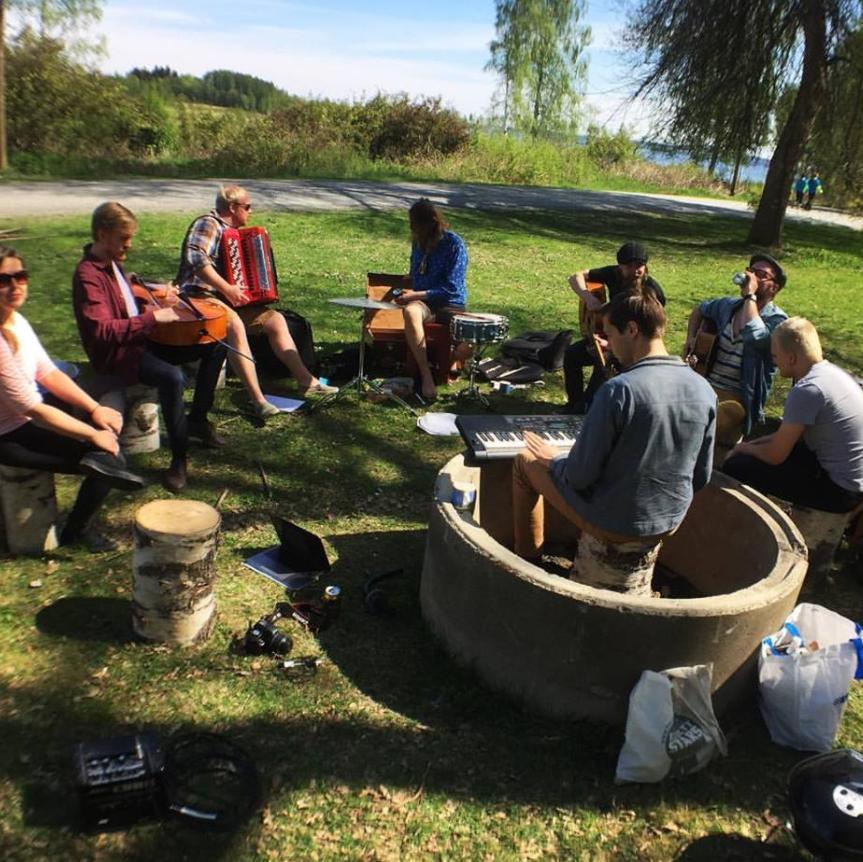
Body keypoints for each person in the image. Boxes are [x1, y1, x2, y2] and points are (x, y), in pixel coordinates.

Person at [513, 289, 716, 588]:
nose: (606, 346)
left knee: (525, 462)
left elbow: (580, 477)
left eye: (609, 334)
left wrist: (554, 459)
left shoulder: (620, 390)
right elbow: (701, 476)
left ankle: (526, 565)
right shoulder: (704, 389)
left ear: (632, 330)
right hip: (670, 519)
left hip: (617, 522)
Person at [73, 202, 227, 493]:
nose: (128, 245)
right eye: (123, 238)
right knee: (172, 377)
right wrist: (153, 317)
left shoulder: (111, 263)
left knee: (215, 343)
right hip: (119, 356)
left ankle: (198, 418)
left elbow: (126, 301)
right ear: (103, 235)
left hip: (140, 342)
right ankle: (179, 460)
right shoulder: (87, 276)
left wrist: (151, 296)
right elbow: (102, 330)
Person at [0, 246, 144, 551]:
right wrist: (93, 432)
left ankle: (78, 521)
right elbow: (33, 408)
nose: (15, 286)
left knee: (105, 444)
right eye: (4, 280)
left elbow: (48, 373)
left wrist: (95, 409)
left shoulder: (15, 320)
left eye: (20, 276)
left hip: (27, 417)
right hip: (8, 434)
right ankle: (76, 531)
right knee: (105, 459)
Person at [175, 185, 336, 404]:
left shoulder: (237, 236)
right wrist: (227, 288)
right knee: (235, 326)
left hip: (225, 301)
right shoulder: (208, 223)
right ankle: (258, 400)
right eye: (247, 207)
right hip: (198, 299)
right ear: (232, 207)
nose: (250, 211)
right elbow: (196, 260)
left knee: (275, 320)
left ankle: (307, 382)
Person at [722, 318, 863, 513]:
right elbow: (789, 438)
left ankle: (747, 520)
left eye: (775, 356)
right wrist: (752, 445)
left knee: (737, 466)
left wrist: (744, 449)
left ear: (791, 358)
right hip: (852, 478)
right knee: (755, 452)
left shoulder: (807, 390)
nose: (774, 362)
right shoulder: (831, 373)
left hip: (840, 490)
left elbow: (775, 456)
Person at [683, 253, 788, 447]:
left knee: (702, 438)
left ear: (774, 289)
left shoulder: (778, 322)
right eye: (751, 270)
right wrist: (691, 339)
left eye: (760, 274)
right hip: (705, 387)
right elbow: (699, 310)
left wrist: (750, 295)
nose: (752, 277)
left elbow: (755, 336)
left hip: (737, 401)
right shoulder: (727, 306)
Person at [562, 241, 666, 414]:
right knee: (572, 355)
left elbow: (651, 331)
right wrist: (588, 297)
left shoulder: (652, 292)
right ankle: (574, 404)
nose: (635, 271)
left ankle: (586, 409)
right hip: (610, 336)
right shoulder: (612, 274)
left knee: (602, 363)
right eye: (630, 266)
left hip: (631, 347)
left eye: (639, 265)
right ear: (620, 267)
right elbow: (576, 277)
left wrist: (609, 345)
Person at [393, 198, 468, 401]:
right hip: (425, 303)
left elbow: (451, 287)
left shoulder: (453, 244)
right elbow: (415, 275)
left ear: (430, 223)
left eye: (415, 224)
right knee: (410, 311)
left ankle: (451, 361)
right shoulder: (418, 244)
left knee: (472, 339)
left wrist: (416, 294)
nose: (412, 229)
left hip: (450, 302)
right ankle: (426, 375)